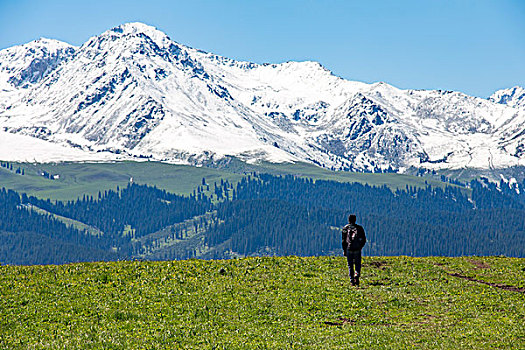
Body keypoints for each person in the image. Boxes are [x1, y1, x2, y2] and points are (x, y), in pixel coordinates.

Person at [342, 214, 366, 286]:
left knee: (350, 265)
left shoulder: (345, 228)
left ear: (349, 220)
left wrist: (344, 250)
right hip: (357, 249)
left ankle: (352, 280)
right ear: (355, 220)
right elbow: (364, 240)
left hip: (349, 249)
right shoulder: (359, 228)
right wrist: (360, 247)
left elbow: (343, 241)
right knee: (357, 264)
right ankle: (357, 275)